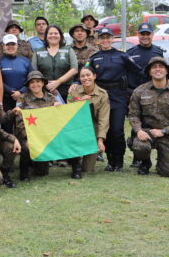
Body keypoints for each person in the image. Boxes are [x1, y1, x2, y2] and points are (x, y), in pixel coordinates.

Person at [88, 26, 141, 171]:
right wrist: (76, 84)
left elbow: (138, 71)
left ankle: (118, 160)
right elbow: (86, 74)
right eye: (102, 38)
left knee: (117, 129)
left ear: (112, 39)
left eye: (108, 37)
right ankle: (110, 160)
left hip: (118, 95)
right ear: (98, 40)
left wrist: (132, 89)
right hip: (101, 96)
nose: (105, 40)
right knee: (107, 129)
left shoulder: (122, 56)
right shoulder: (93, 58)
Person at [125, 23, 164, 167]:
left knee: (149, 123)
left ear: (152, 35)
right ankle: (137, 158)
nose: (145, 36)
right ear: (138, 35)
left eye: (148, 34)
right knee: (136, 124)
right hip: (134, 93)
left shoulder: (158, 52)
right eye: (142, 34)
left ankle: (155, 154)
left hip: (153, 93)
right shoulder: (130, 52)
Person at [13, 70, 60, 180]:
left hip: (46, 135)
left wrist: (58, 108)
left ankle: (34, 162)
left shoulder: (51, 98)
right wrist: (29, 138)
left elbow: (57, 120)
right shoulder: (22, 99)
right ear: (28, 85)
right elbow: (19, 123)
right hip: (27, 135)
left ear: (43, 83)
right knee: (26, 147)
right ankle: (24, 171)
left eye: (38, 81)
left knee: (42, 172)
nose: (35, 84)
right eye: (32, 82)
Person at [128, 56, 169, 177]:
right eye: (154, 67)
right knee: (139, 146)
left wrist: (164, 131)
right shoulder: (140, 91)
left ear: (167, 70)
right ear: (149, 71)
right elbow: (133, 114)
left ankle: (162, 163)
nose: (157, 69)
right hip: (148, 133)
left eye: (161, 67)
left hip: (166, 133)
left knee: (166, 172)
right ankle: (145, 162)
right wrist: (139, 130)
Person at [68, 65, 110, 174]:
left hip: (93, 130)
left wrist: (100, 140)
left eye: (88, 75)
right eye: (82, 76)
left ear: (94, 76)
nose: (86, 78)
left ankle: (91, 154)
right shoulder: (73, 92)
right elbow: (68, 113)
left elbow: (103, 119)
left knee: (87, 170)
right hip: (76, 128)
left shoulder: (102, 94)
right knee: (75, 164)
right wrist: (81, 103)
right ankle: (72, 159)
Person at [31, 25, 78, 101]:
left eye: (56, 33)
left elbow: (74, 69)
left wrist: (58, 82)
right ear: (46, 36)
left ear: (60, 36)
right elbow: (34, 72)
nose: (53, 35)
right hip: (45, 90)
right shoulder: (38, 52)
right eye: (50, 33)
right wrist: (47, 85)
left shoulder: (69, 50)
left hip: (67, 90)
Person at [0, 34, 32, 111]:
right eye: (7, 44)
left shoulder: (25, 61)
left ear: (17, 46)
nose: (10, 47)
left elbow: (32, 79)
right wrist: (11, 91)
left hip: (24, 98)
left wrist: (21, 91)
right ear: (3, 46)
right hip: (6, 99)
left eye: (13, 44)